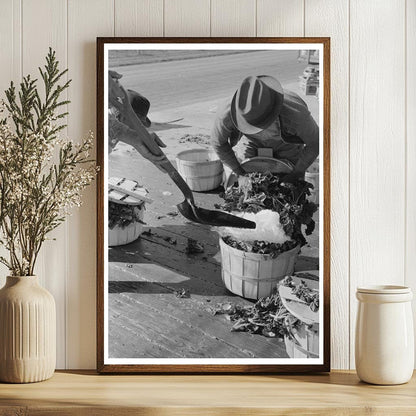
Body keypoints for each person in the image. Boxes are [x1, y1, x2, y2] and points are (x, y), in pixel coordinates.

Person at [210, 75, 319, 183]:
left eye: (261, 125)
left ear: (274, 112)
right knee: (250, 184)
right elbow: (218, 143)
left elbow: (315, 142)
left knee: (291, 186)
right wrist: (239, 172)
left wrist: (297, 172)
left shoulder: (295, 114)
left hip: (287, 145)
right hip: (252, 142)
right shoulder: (227, 113)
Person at [108, 70, 167, 171]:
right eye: (137, 123)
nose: (138, 128)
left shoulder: (114, 128)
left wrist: (133, 137)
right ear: (120, 117)